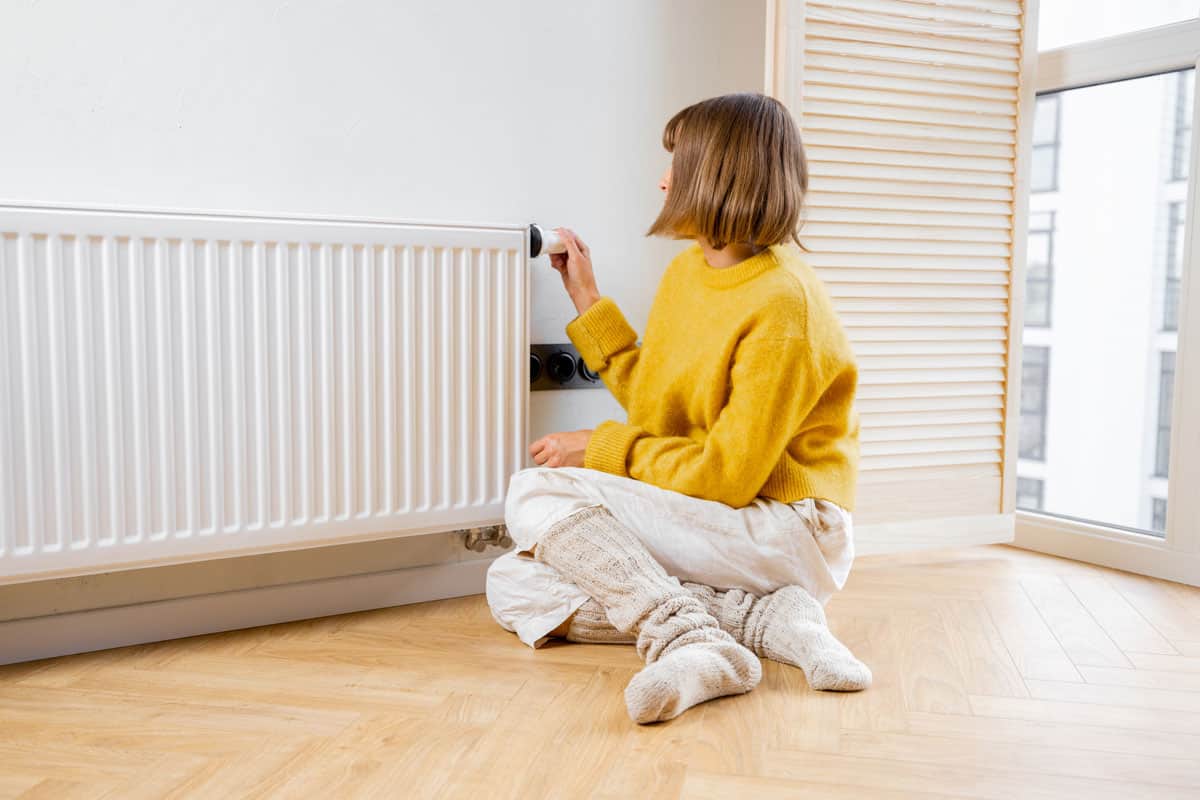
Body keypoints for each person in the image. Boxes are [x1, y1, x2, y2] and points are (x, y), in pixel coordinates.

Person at [485, 92, 870, 725]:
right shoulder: (689, 275)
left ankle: (689, 641)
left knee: (535, 493)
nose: (664, 178)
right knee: (515, 584)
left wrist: (599, 449)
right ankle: (765, 620)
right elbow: (659, 414)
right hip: (720, 515)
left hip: (789, 525)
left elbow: (729, 475)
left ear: (719, 175)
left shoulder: (784, 305)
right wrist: (586, 298)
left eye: (679, 162)